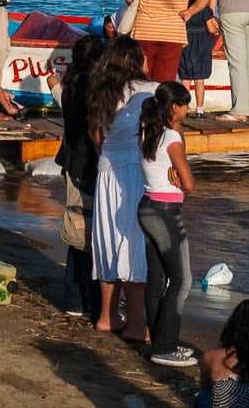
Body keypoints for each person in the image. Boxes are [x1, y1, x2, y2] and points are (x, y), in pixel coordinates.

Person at [87, 35, 158, 340]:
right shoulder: (150, 92)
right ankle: (136, 323)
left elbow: (97, 140)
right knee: (132, 244)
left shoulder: (101, 94)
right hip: (133, 171)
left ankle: (107, 316)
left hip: (106, 170)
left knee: (107, 242)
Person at [138, 81, 197, 367]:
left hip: (147, 206)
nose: (187, 108)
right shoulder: (172, 137)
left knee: (157, 279)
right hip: (165, 211)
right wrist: (180, 178)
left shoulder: (149, 130)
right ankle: (164, 345)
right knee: (182, 279)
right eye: (184, 104)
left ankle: (161, 340)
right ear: (174, 107)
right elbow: (189, 184)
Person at [55, 35, 104, 321]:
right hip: (86, 163)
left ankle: (75, 296)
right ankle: (83, 297)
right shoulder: (90, 87)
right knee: (87, 232)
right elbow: (94, 128)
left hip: (72, 160)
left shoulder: (71, 83)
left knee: (77, 232)